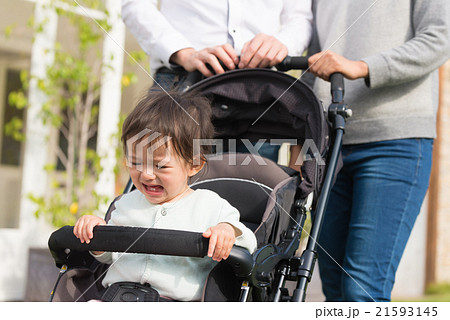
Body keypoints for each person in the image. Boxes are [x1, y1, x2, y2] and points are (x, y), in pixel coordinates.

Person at [304, 0, 450, 301]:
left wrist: (361, 67)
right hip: (330, 141)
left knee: (362, 289)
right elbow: (315, 58)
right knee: (332, 287)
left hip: (394, 139)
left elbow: (440, 37)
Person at [73, 90, 257, 301]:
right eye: (135, 162)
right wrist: (96, 234)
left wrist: (227, 231)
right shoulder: (125, 204)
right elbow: (108, 257)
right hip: (117, 298)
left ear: (194, 165)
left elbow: (248, 242)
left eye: (160, 165)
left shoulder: (209, 205)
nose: (146, 174)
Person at [121, 0, 313, 162]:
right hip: (182, 77)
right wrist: (182, 51)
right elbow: (136, 4)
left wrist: (282, 44)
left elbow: (299, 18)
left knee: (253, 193)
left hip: (256, 90)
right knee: (158, 183)